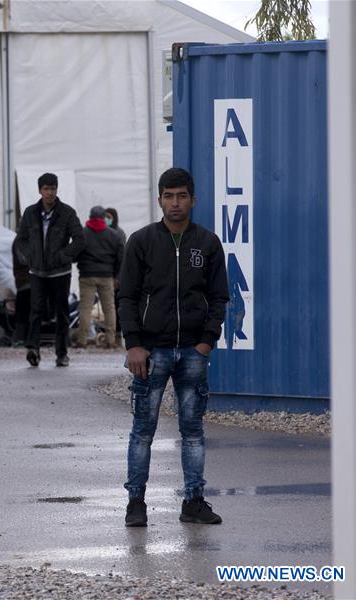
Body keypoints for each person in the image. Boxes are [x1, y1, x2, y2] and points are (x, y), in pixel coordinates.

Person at [119, 167, 228, 527]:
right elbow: (127, 296)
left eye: (182, 196)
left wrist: (206, 344)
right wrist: (134, 344)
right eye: (169, 196)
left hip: (193, 353)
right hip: (151, 353)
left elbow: (219, 297)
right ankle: (136, 503)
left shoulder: (208, 243)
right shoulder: (141, 241)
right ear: (160, 199)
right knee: (143, 431)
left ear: (193, 199)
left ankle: (193, 502)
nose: (175, 203)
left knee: (193, 431)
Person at [13, 172, 85, 367]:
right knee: (35, 310)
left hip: (60, 272)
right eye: (46, 189)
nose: (50, 193)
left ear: (57, 190)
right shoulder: (30, 213)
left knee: (61, 312)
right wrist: (30, 257)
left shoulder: (67, 213)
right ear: (39, 190)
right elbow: (20, 240)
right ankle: (33, 349)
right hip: (37, 272)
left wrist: (63, 256)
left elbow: (80, 239)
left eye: (53, 188)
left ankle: (61, 353)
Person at [74, 205, 123, 349]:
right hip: (106, 276)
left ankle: (82, 341)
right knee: (109, 309)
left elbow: (75, 254)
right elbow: (120, 256)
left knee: (85, 309)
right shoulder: (113, 235)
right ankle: (110, 340)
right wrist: (116, 276)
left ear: (89, 217)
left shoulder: (82, 234)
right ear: (103, 218)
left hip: (87, 276)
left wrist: (81, 264)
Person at [105, 207, 127, 347]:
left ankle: (117, 335)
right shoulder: (103, 232)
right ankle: (111, 336)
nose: (107, 219)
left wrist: (117, 278)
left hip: (116, 276)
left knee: (116, 307)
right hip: (106, 274)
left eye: (109, 217)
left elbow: (122, 258)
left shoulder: (119, 233)